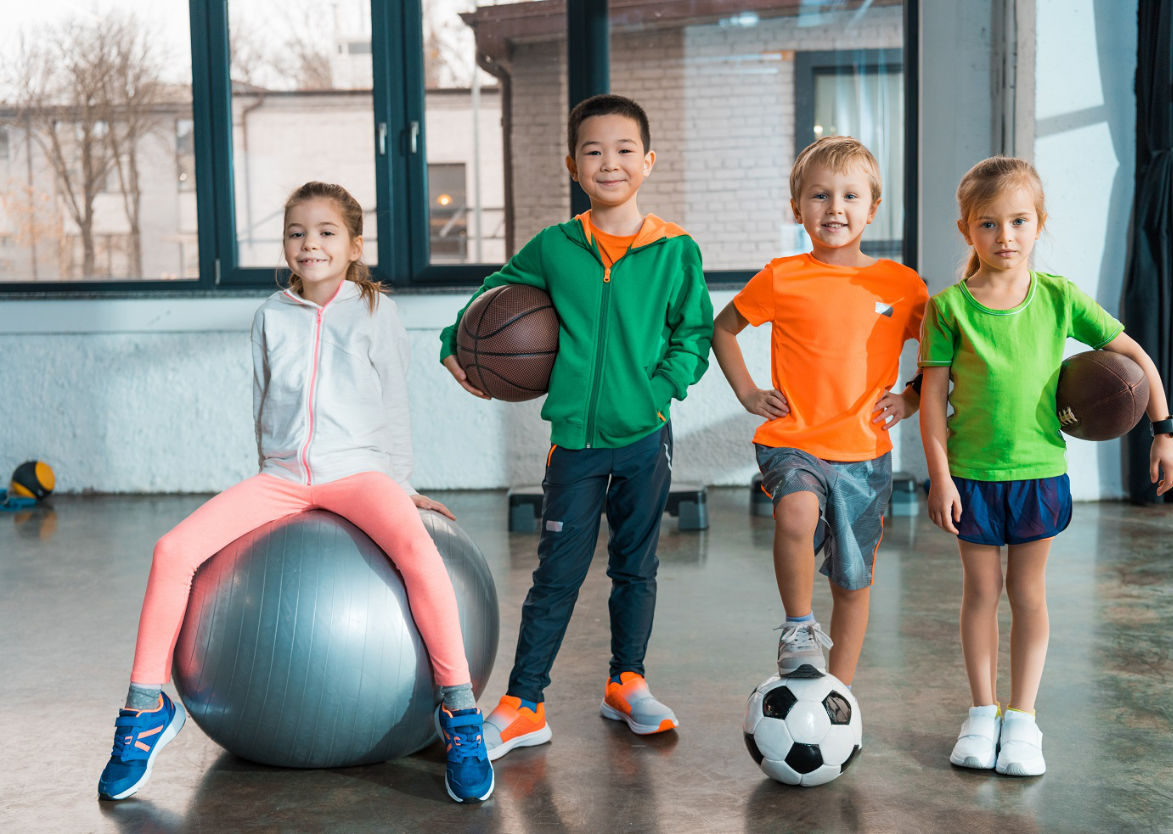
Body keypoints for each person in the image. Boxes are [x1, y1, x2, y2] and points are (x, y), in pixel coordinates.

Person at [97, 182, 494, 804]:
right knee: (172, 551)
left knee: (418, 554)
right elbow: (264, 408)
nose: (310, 243)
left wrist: (403, 485)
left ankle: (461, 715)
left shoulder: (376, 312)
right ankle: (143, 712)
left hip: (359, 473)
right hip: (282, 479)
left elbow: (394, 405)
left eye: (326, 232)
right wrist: (265, 486)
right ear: (286, 245)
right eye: (297, 233)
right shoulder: (269, 315)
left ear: (354, 245)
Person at [440, 94, 713, 760]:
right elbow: (489, 294)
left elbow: (695, 333)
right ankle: (524, 702)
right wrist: (455, 340)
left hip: (646, 439)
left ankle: (627, 682)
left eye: (624, 150)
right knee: (556, 574)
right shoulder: (555, 248)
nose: (609, 162)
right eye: (593, 151)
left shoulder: (675, 251)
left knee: (635, 568)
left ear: (647, 161)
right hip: (575, 447)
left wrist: (660, 387)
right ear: (572, 164)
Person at [918, 156, 1173, 776]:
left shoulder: (1060, 298)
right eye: (988, 224)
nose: (1004, 237)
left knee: (1027, 595)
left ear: (1039, 224)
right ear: (966, 230)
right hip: (972, 478)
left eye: (1017, 221)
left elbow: (1135, 356)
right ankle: (982, 714)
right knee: (980, 593)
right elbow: (931, 403)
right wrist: (940, 475)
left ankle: (1024, 720)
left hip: (1039, 475)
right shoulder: (948, 308)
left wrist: (1163, 430)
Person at [711, 136, 928, 686]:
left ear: (873, 208)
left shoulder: (902, 286)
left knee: (853, 584)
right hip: (795, 440)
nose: (835, 208)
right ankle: (800, 626)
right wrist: (747, 393)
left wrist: (910, 397)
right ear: (797, 206)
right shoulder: (782, 277)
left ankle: (840, 693)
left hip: (864, 452)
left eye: (851, 196)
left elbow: (943, 355)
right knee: (797, 512)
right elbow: (724, 328)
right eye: (820, 195)